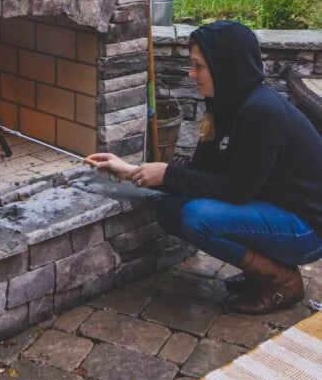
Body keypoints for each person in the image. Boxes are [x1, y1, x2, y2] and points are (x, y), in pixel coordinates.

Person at [87, 20, 322, 315]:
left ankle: (282, 280)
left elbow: (237, 191)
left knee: (198, 217)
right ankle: (262, 267)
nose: (191, 73)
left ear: (224, 67)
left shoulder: (261, 112)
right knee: (171, 210)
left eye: (198, 66)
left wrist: (167, 174)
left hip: (308, 230)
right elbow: (200, 174)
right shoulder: (225, 104)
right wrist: (129, 170)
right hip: (271, 209)